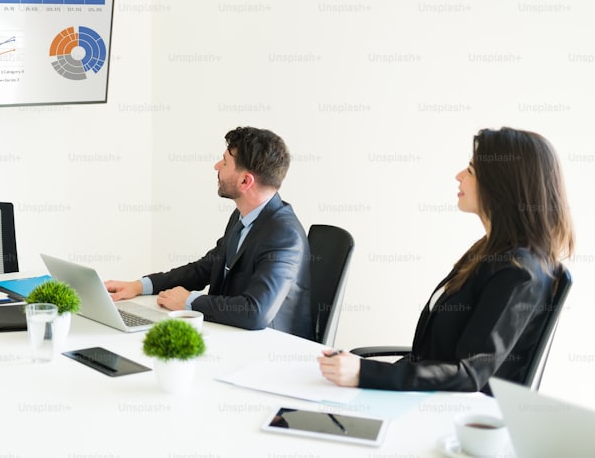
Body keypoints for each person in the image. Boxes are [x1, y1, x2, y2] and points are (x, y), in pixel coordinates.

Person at [319, 127, 575, 392]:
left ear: (502, 187)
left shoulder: (519, 272)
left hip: (448, 414)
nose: (459, 176)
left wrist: (366, 372)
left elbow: (470, 375)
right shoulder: (490, 250)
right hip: (424, 397)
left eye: (471, 171)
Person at [105, 126, 313, 336]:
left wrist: (189, 301)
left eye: (224, 162)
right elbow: (206, 268)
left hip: (269, 349)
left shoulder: (284, 235)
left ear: (245, 181)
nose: (216, 167)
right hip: (230, 334)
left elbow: (255, 312)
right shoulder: (244, 216)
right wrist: (139, 286)